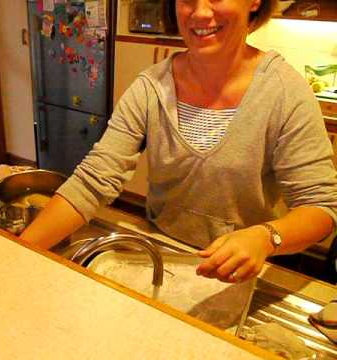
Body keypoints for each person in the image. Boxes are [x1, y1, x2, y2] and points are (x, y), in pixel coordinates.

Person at [19, 0, 337, 283]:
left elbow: (321, 208)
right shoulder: (151, 87)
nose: (199, 11)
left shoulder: (284, 91)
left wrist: (265, 238)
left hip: (248, 272)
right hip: (165, 255)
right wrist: (18, 251)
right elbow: (93, 181)